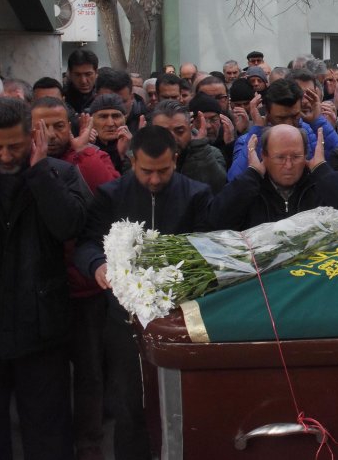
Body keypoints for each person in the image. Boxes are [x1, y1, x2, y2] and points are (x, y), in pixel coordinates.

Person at [0, 97, 91, 460]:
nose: (6, 156)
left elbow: (70, 226)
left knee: (49, 435)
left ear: (33, 136)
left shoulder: (60, 174)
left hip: (41, 330)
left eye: (15, 146)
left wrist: (41, 171)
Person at [76, 126, 212, 460]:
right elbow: (87, 243)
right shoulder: (110, 194)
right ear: (132, 161)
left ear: (175, 161)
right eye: (146, 171)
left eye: (163, 171)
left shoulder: (197, 194)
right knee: (131, 406)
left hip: (181, 318)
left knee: (185, 405)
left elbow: (210, 246)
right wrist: (96, 265)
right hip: (124, 320)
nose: (154, 180)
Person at [31, 97, 118, 460]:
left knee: (88, 373)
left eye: (59, 127)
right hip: (40, 291)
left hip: (84, 289)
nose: (51, 135)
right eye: (42, 127)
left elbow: (109, 220)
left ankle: (90, 443)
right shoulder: (21, 167)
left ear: (74, 127)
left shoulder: (91, 163)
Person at [209, 125, 338, 229]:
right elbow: (216, 222)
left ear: (306, 155)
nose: (289, 165)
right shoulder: (249, 187)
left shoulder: (321, 182)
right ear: (265, 156)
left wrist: (322, 171)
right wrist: (251, 174)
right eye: (280, 158)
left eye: (296, 156)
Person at [227, 79, 338, 181]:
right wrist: (257, 131)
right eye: (281, 118)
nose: (289, 124)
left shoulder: (311, 133)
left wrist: (318, 121)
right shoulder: (247, 140)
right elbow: (235, 181)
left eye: (295, 116)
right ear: (267, 112)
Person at [148, 99, 227, 192]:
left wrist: (200, 149)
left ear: (190, 128)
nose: (172, 138)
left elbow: (218, 187)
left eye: (179, 131)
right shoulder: (143, 155)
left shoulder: (209, 154)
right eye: (163, 132)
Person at [88, 93, 132, 173]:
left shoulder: (136, 148)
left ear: (125, 119)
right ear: (92, 121)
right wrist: (88, 149)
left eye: (116, 116)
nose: (110, 123)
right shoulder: (83, 147)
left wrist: (127, 154)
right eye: (103, 117)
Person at [65, 49, 99, 114]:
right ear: (70, 74)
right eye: (77, 75)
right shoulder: (62, 98)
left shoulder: (104, 97)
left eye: (88, 74)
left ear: (96, 73)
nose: (83, 81)